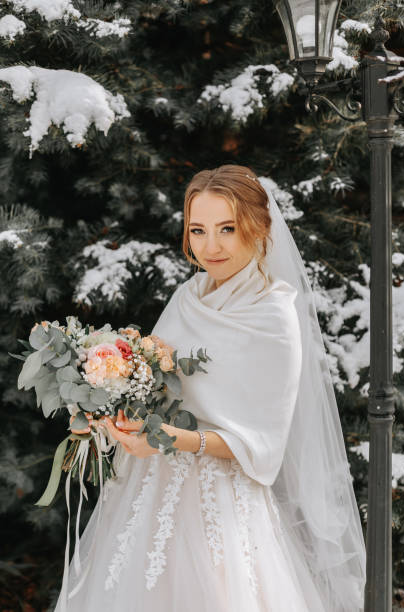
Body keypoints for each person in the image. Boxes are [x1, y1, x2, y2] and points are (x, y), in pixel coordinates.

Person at [55, 164, 366, 612]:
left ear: (259, 228)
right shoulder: (189, 294)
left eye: (227, 228)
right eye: (197, 230)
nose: (210, 246)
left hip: (220, 501)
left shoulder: (273, 315)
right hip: (149, 489)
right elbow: (153, 387)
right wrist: (105, 410)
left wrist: (167, 440)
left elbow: (262, 444)